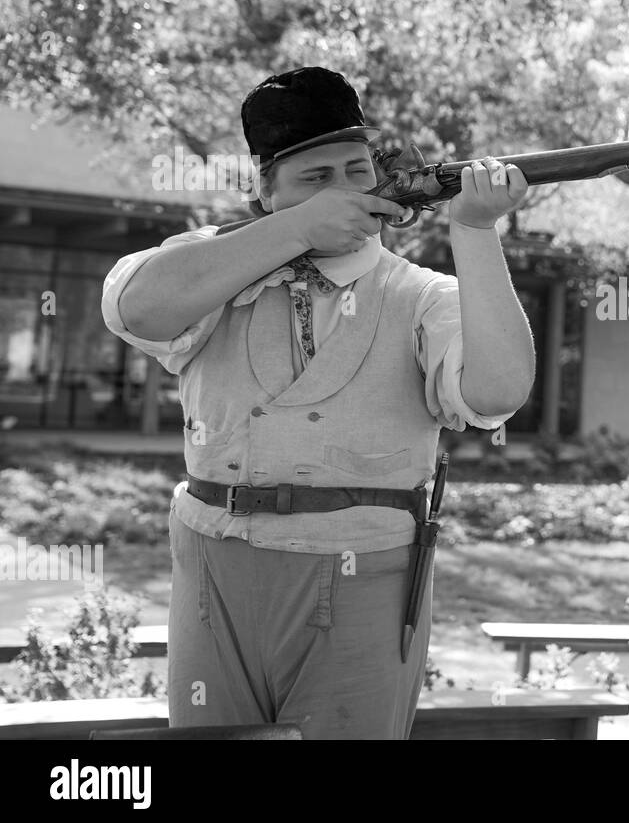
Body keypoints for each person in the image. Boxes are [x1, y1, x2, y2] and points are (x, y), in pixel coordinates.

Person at [100, 66, 535, 738]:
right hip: (213, 564)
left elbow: (497, 392)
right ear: (268, 193)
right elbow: (136, 307)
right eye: (313, 178)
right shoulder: (218, 263)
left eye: (356, 171)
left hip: (366, 570)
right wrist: (300, 231)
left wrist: (475, 233)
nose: (343, 192)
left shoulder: (424, 295)